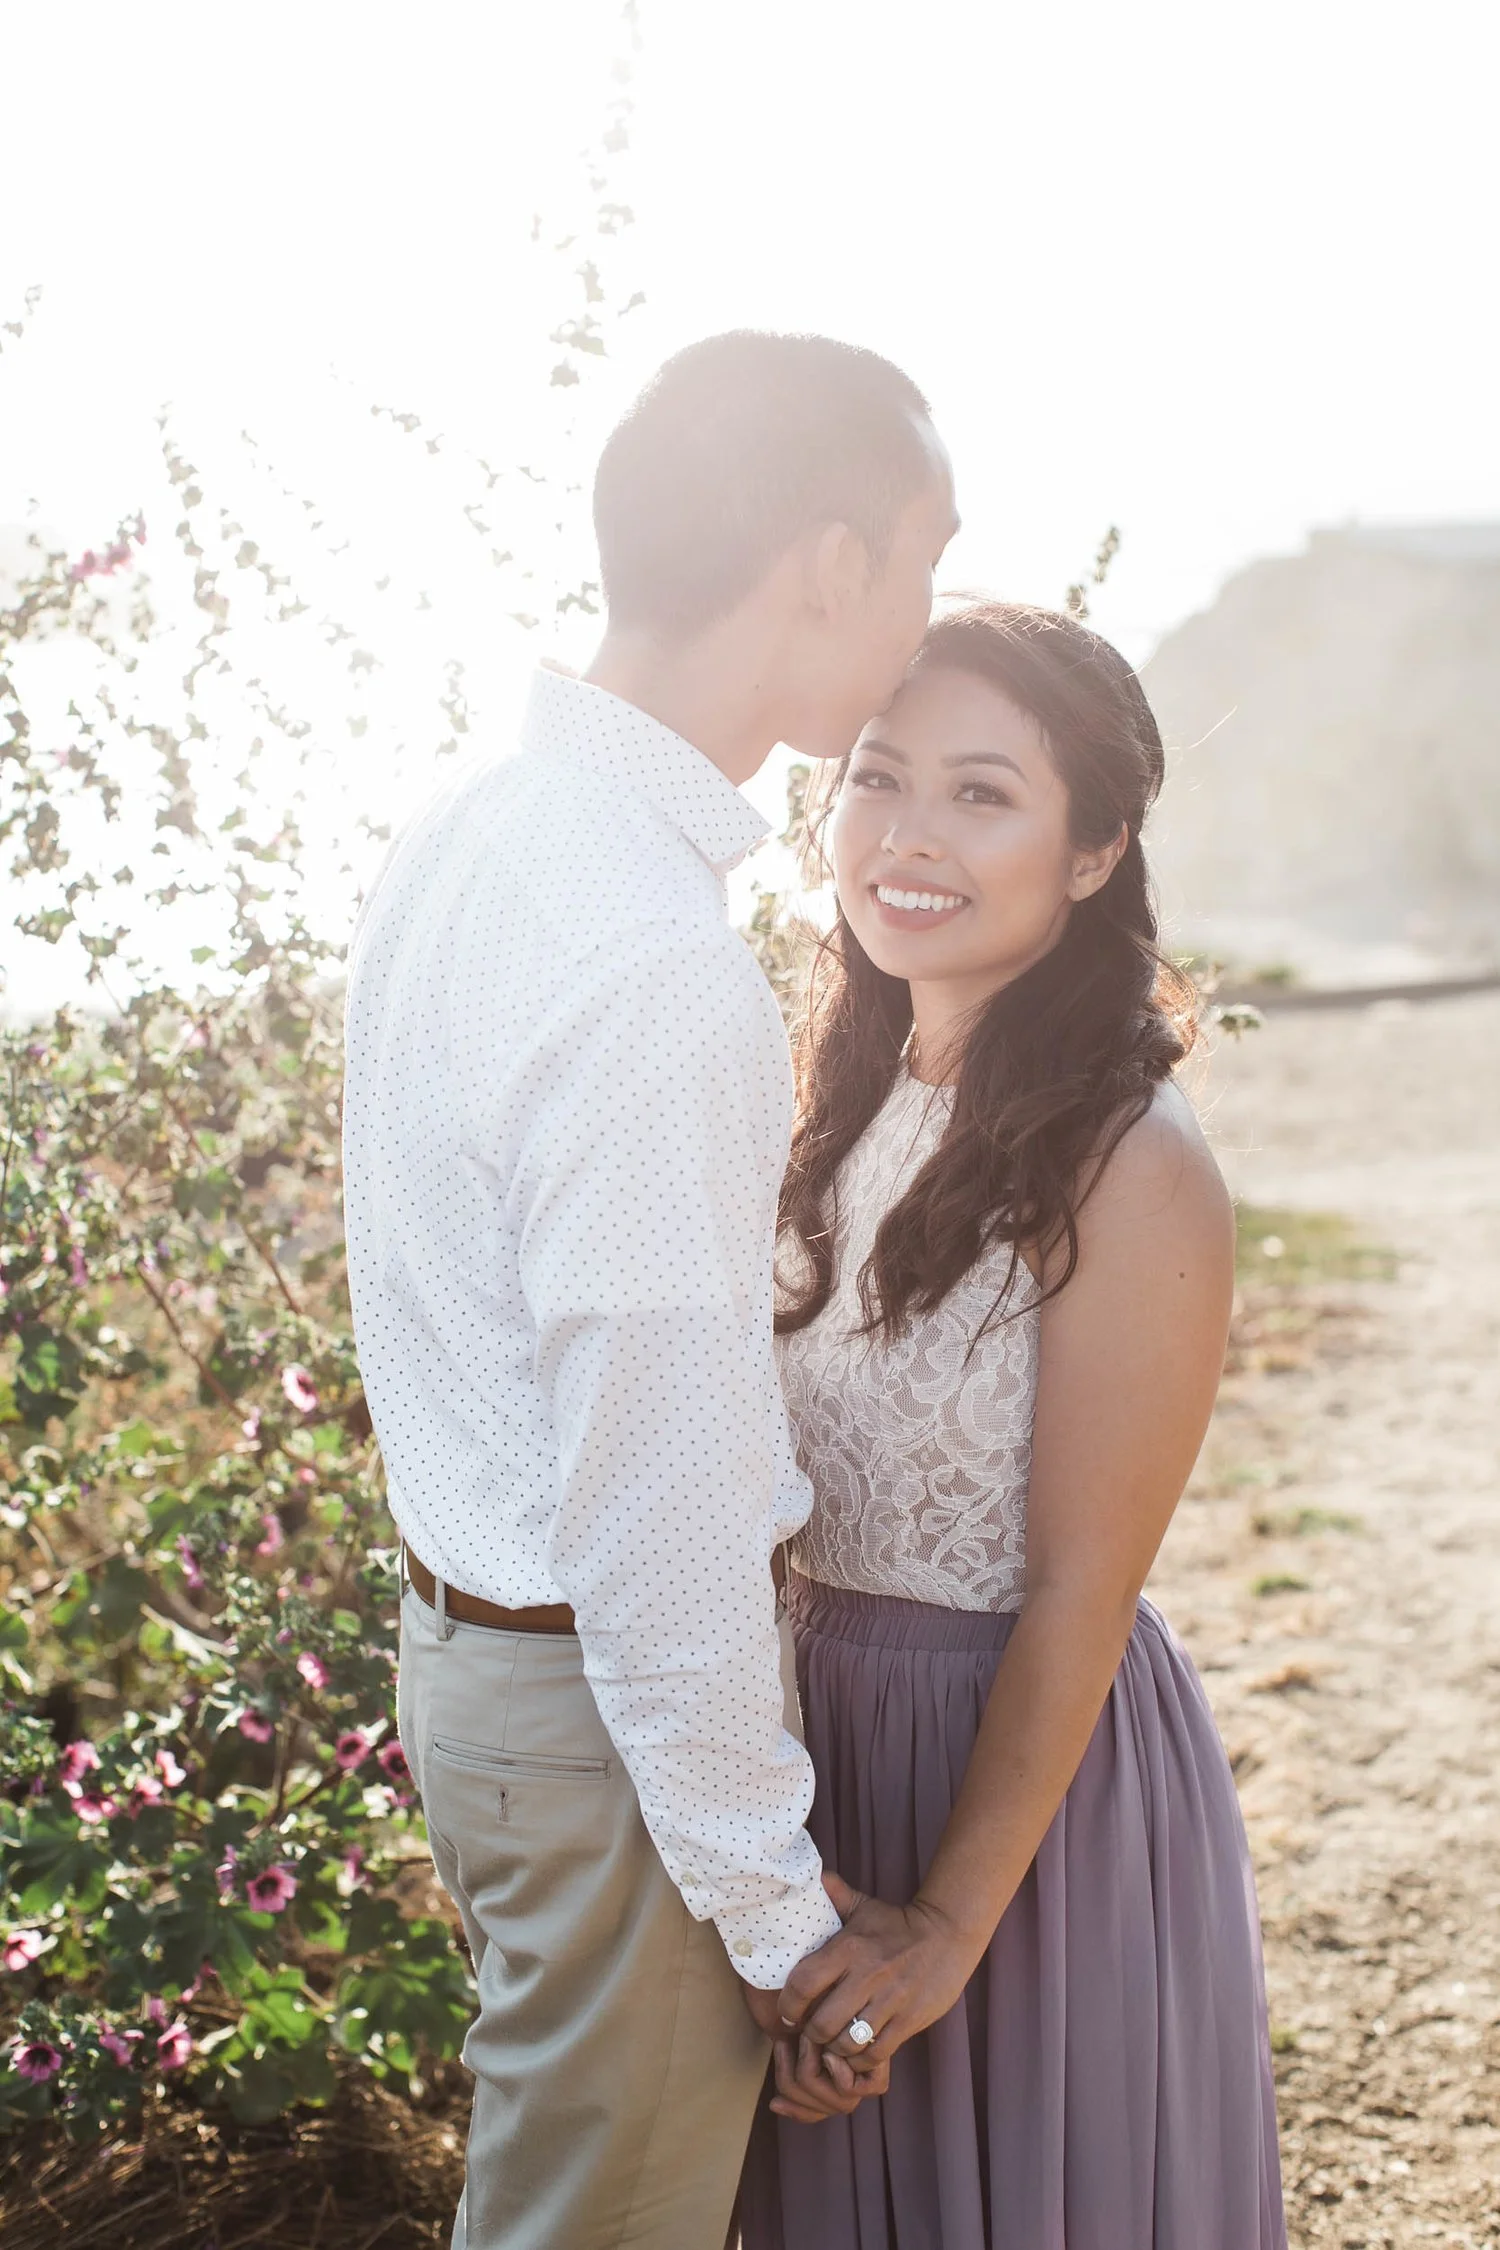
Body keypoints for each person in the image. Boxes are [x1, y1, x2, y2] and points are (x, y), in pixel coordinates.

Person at [342, 331, 958, 2249]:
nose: (926, 618)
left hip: (495, 1672)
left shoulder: (472, 835)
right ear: (830, 568)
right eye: (924, 567)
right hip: (601, 1715)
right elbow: (657, 1506)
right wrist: (781, 1919)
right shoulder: (647, 956)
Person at [738, 601, 1289, 2248]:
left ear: (1097, 847)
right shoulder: (832, 1095)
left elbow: (1078, 1593)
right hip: (815, 1766)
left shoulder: (1136, 1161)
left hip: (1020, 1799)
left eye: (984, 794)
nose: (907, 836)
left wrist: (942, 1928)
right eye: (878, 777)